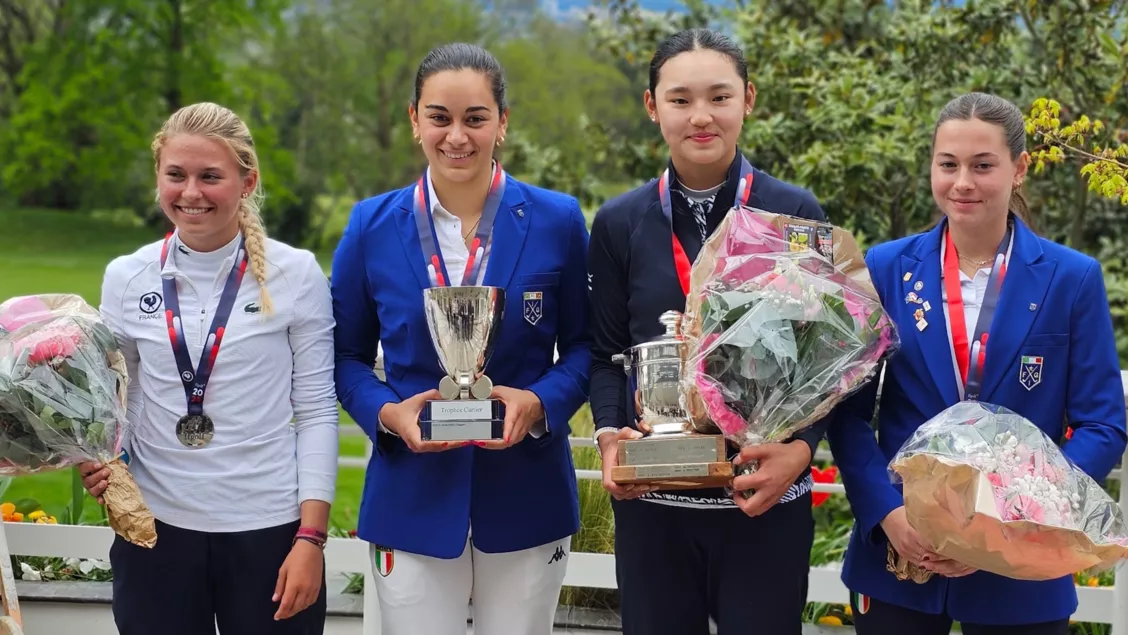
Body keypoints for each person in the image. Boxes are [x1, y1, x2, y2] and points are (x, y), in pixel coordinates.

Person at [827, 91, 1127, 635]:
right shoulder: (886, 267)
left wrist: (1014, 520)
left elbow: (1103, 424)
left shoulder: (1071, 278)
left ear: (1020, 169)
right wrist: (888, 514)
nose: (962, 182)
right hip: (902, 555)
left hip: (1021, 569)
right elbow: (848, 411)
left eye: (983, 165)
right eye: (948, 164)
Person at [331, 43, 591, 635]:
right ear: (414, 120)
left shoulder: (557, 220)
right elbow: (345, 358)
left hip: (527, 494)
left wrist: (540, 402)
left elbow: (584, 348)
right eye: (439, 117)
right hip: (412, 496)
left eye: (475, 118)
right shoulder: (370, 226)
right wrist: (389, 414)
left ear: (502, 122)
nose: (456, 136)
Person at [587, 27, 831, 635]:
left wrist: (801, 451)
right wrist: (610, 438)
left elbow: (826, 355)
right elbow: (605, 355)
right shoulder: (619, 222)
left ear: (748, 99)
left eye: (719, 97)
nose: (701, 116)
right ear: (653, 106)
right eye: (680, 99)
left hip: (763, 499)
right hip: (654, 505)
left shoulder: (795, 214)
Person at [78, 102, 338, 634]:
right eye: (176, 174)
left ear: (247, 182)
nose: (191, 192)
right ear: (158, 177)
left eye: (210, 176)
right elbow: (114, 398)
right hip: (155, 530)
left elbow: (316, 412)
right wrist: (98, 456)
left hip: (270, 530)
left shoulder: (296, 274)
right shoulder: (127, 276)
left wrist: (310, 539)